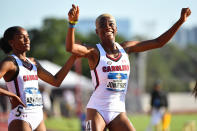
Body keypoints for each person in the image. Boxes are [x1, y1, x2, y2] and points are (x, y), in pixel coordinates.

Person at [66, 4, 191, 131]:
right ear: (97, 31)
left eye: (111, 24)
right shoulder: (94, 51)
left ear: (116, 29)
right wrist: (72, 23)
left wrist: (180, 21)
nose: (107, 27)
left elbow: (159, 42)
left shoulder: (126, 48)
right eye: (102, 25)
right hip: (97, 109)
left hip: (118, 111)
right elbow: (70, 48)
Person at [0, 26, 77, 131]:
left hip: (38, 115)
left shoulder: (33, 62)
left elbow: (56, 81)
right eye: (21, 37)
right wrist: (11, 95)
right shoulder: (9, 63)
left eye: (27, 36)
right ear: (11, 42)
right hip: (22, 117)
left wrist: (73, 57)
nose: (27, 40)